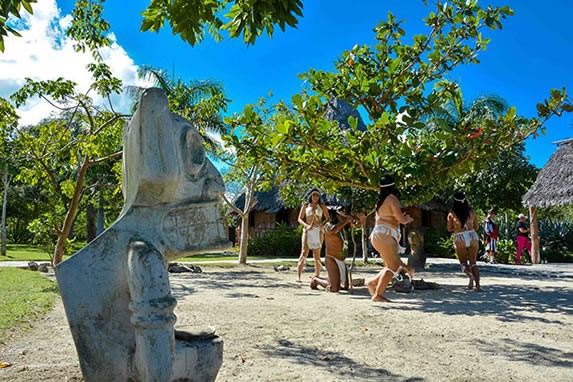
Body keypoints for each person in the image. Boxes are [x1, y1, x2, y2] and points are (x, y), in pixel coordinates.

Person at [367, 175, 415, 303]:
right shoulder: (392, 199)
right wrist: (407, 219)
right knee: (394, 267)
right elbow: (400, 219)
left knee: (390, 265)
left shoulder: (380, 200)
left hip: (380, 234)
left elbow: (390, 217)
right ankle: (378, 294)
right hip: (385, 235)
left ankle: (373, 283)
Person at [310, 207, 366, 292]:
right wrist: (346, 220)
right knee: (334, 288)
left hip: (341, 259)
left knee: (345, 287)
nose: (343, 215)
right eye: (341, 214)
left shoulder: (343, 226)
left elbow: (357, 225)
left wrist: (362, 219)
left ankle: (328, 279)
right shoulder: (328, 225)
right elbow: (333, 230)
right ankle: (316, 280)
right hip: (331, 258)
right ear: (336, 216)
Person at [447, 191, 481, 291]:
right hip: (472, 235)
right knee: (473, 262)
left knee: (463, 263)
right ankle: (477, 285)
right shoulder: (472, 211)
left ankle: (470, 276)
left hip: (459, 237)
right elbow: (477, 227)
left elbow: (449, 229)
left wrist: (457, 228)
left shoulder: (452, 213)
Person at [295, 188, 330, 282]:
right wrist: (306, 225)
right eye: (314, 195)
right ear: (310, 196)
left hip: (318, 231)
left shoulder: (322, 206)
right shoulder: (305, 206)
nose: (315, 197)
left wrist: (322, 224)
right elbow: (300, 218)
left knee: (317, 254)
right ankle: (298, 276)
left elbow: (328, 218)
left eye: (317, 195)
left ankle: (317, 276)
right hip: (308, 230)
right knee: (304, 253)